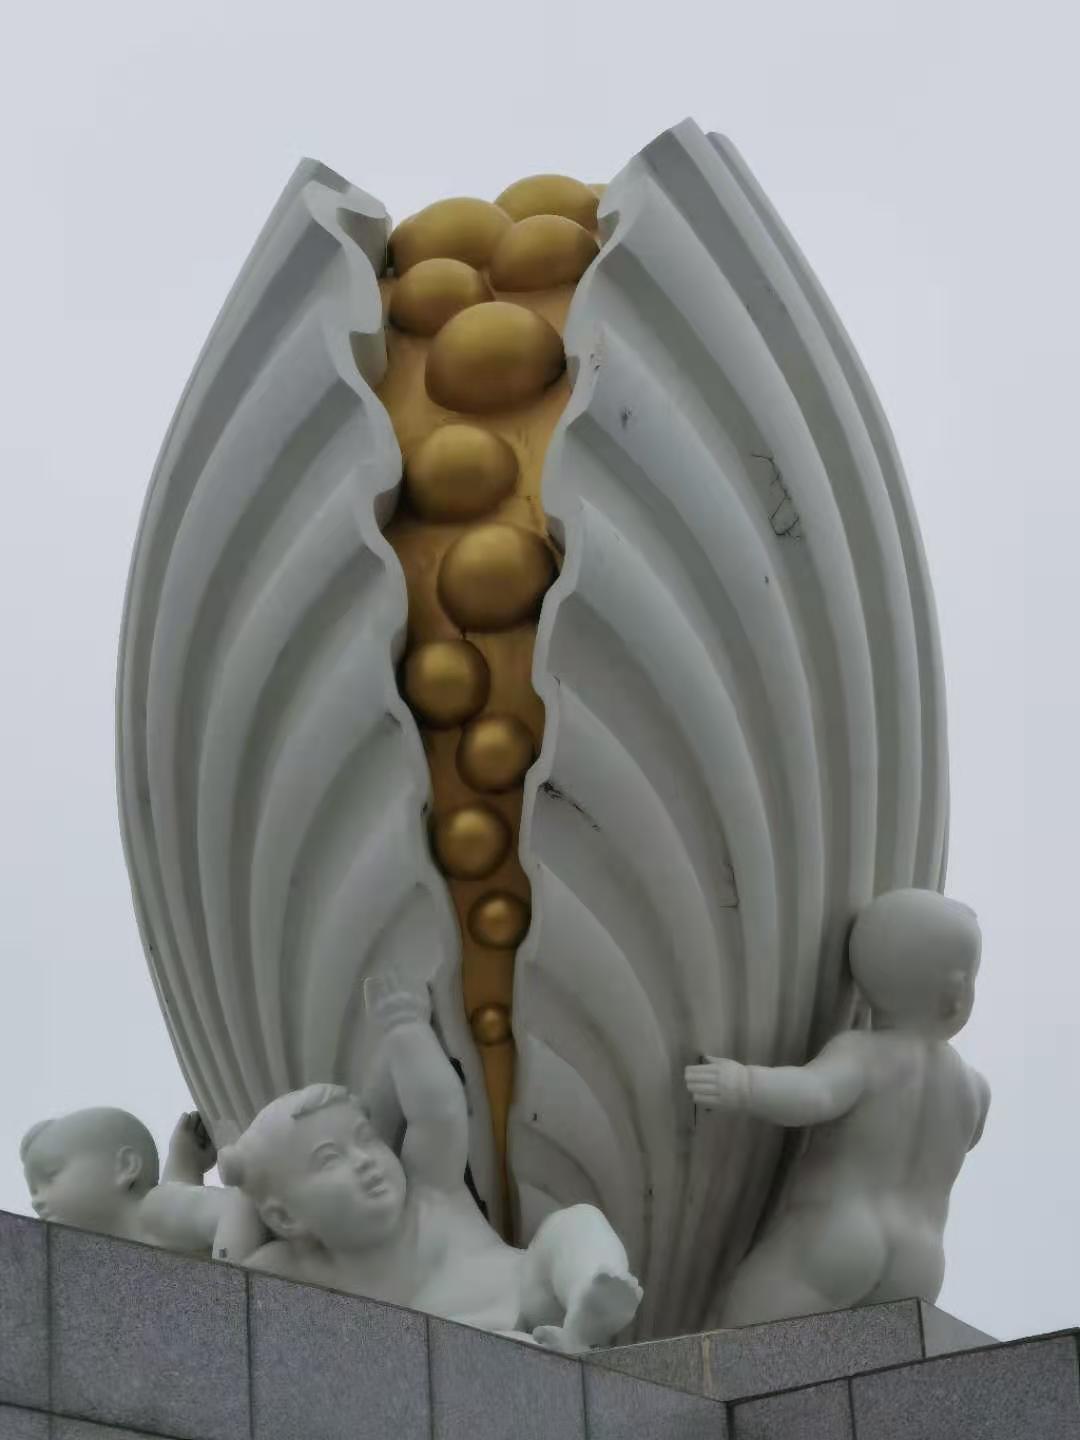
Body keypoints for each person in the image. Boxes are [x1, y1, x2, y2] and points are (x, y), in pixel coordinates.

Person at [219, 974, 642, 1351]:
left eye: (366, 1139)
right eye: (329, 1160)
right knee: (478, 1353)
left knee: (573, 1225)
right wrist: (241, 1181)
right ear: (285, 1217)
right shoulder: (300, 1268)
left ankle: (589, 1293)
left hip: (526, 1292)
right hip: (462, 1345)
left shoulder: (428, 1190)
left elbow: (438, 1115)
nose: (363, 1160)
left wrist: (405, 1027)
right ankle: (550, 1341)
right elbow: (225, 1288)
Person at [685, 889, 991, 1325]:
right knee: (863, 1362)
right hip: (920, 1260)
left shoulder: (865, 1053)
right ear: (958, 993)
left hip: (839, 1230)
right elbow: (966, 1136)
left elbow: (815, 1095)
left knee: (739, 1333)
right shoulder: (973, 1089)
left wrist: (744, 1083)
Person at [21, 1106, 263, 1258]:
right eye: (34, 1190)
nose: (36, 1201)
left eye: (50, 1177)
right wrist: (185, 1161)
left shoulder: (154, 1210)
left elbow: (234, 1207)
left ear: (125, 1166)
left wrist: (231, 1278)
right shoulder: (139, 1233)